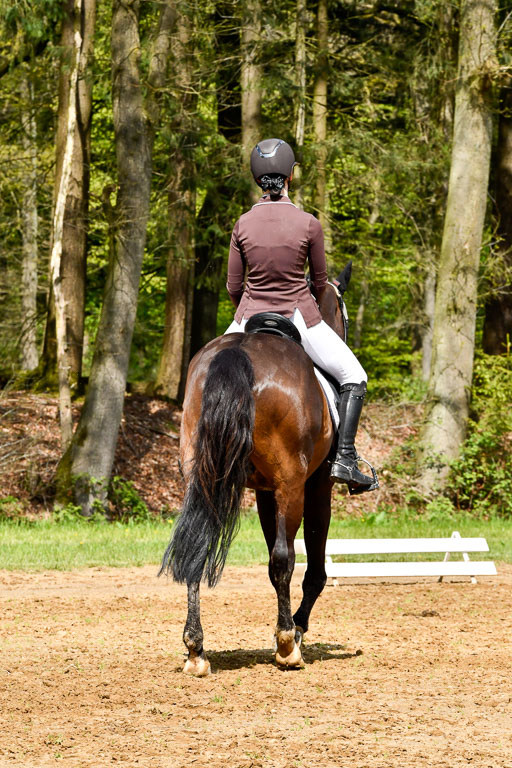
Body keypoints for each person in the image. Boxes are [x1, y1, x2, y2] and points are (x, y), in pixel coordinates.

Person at [224, 137, 377, 493]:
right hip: (297, 315)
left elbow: (233, 286)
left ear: (256, 179)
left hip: (248, 317)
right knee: (355, 375)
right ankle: (345, 459)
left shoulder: (242, 225)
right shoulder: (309, 224)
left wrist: (248, 312)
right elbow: (322, 283)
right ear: (290, 176)